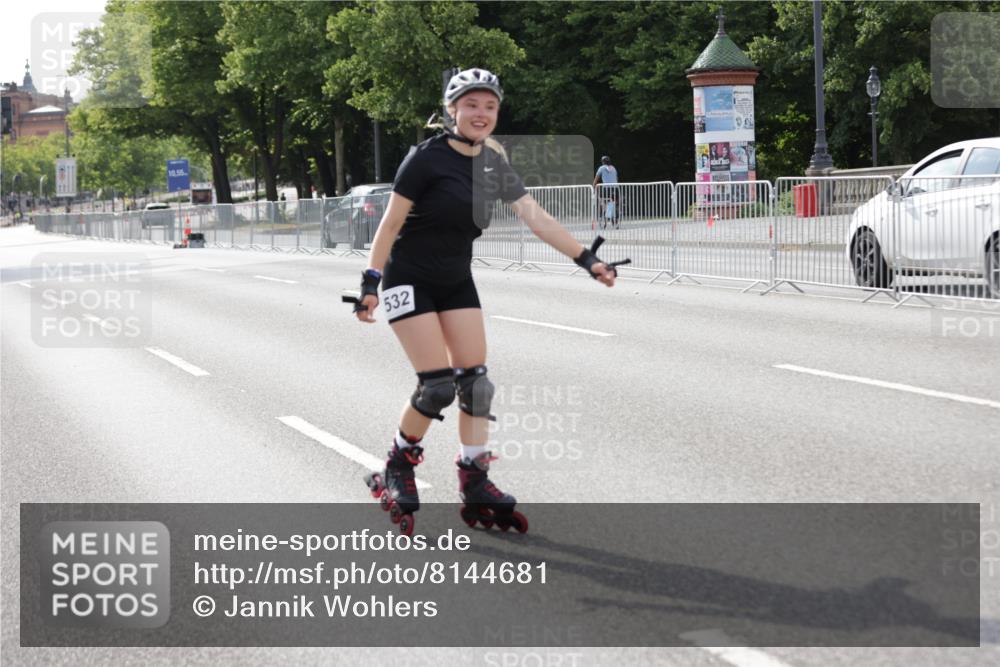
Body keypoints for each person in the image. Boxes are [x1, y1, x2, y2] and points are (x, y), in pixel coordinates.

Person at [352, 68, 621, 535]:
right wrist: (370, 283)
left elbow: (535, 217)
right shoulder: (424, 160)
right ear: (452, 110)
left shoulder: (494, 161)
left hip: (455, 279)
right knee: (436, 386)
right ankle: (397, 464)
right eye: (471, 104)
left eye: (490, 106)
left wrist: (586, 259)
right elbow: (390, 225)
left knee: (477, 385)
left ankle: (474, 478)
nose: (481, 113)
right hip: (407, 280)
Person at [592, 155, 620, 229]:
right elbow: (616, 178)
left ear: (603, 162)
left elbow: (596, 179)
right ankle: (615, 222)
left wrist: (593, 187)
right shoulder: (613, 168)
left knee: (603, 202)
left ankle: (604, 218)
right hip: (615, 188)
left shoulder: (602, 168)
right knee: (614, 204)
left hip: (607, 189)